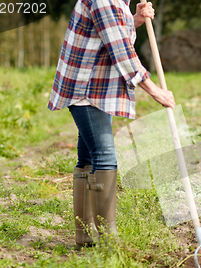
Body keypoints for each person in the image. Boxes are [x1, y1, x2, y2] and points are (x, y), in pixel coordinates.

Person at [48, 0, 175, 249]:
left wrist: (135, 20)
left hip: (99, 87)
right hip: (86, 86)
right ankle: (109, 239)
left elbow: (114, 29)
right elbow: (121, 50)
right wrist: (154, 91)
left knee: (88, 157)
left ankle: (86, 235)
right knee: (105, 156)